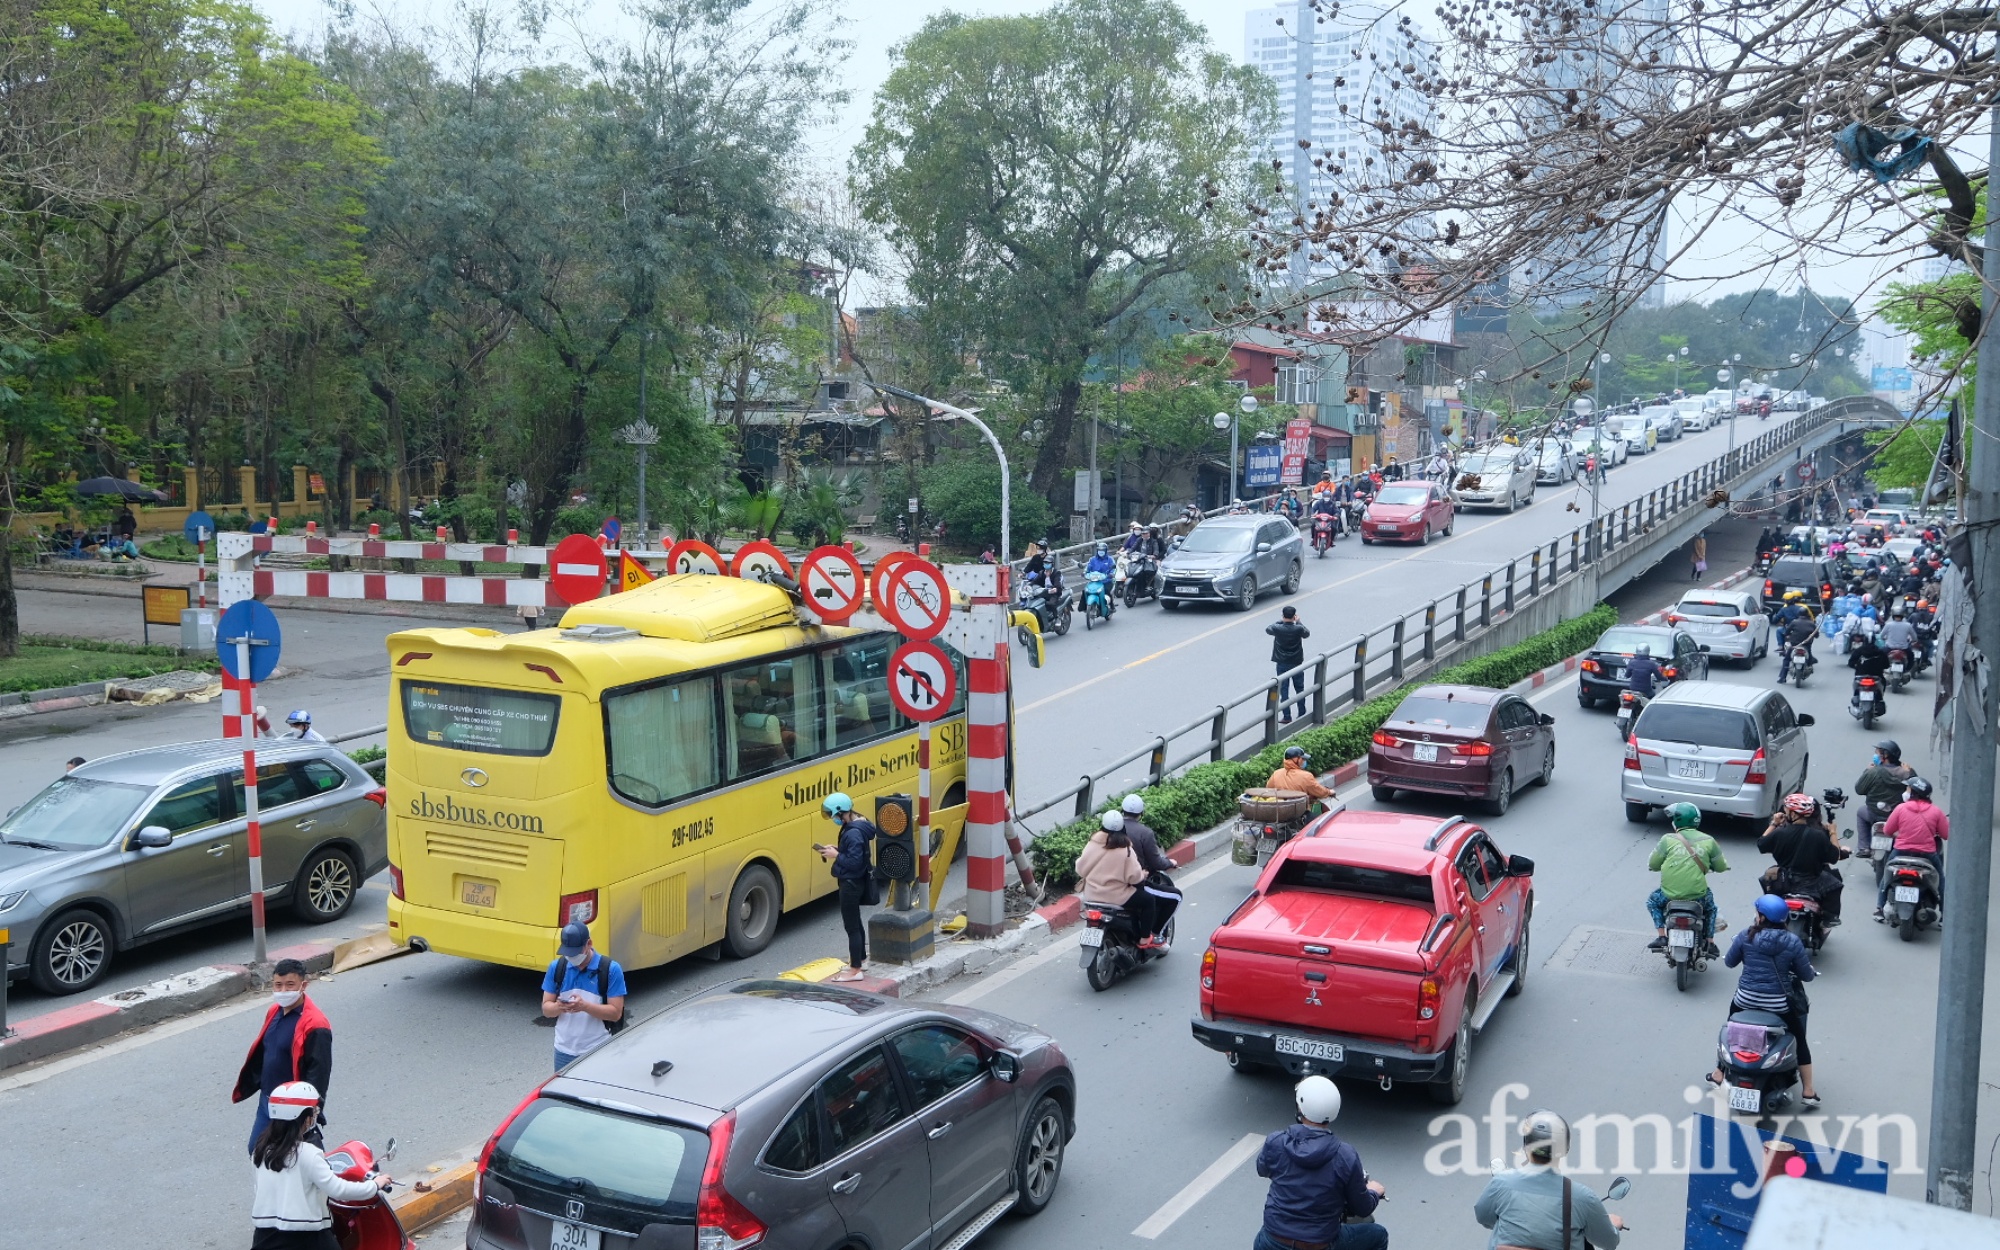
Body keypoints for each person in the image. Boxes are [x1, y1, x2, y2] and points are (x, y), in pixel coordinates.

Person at [250, 1081, 391, 1250]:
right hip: (307, 1237)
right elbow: (338, 1189)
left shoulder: (261, 1151)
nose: (314, 1116)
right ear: (304, 1117)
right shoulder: (308, 1153)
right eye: (313, 1111)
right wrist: (374, 1185)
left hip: (264, 1237)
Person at [1254, 1076, 1386, 1250]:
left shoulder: (1276, 1142)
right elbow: (1363, 1208)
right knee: (1378, 1235)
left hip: (1272, 1241)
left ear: (1300, 1107)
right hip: (1319, 1245)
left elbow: (1262, 1169)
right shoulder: (1345, 1155)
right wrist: (1374, 1192)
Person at [1712, 894, 1819, 1107]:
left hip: (1745, 999)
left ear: (1761, 917)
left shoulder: (1745, 936)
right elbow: (1806, 975)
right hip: (1778, 1004)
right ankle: (1808, 1091)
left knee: (1731, 1030)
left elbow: (1730, 963)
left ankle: (1718, 1073)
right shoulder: (1792, 941)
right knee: (1800, 1040)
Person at [1473, 1110, 1624, 1250]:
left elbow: (1483, 1217)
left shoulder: (1501, 1183)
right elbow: (1609, 1242)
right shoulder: (1583, 1198)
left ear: (1526, 1146)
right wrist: (1613, 1226)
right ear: (1564, 1149)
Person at [232, 959, 333, 1155]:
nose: (283, 991)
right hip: (267, 1100)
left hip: (293, 1107)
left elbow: (319, 1073)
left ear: (303, 986)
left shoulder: (316, 1025)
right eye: (278, 985)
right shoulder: (273, 1011)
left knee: (292, 1158)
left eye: (290, 985)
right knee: (257, 1150)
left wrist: (312, 1110)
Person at [540, 920, 627, 1069]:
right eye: (567, 953)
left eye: (575, 952)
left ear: (589, 944)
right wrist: (559, 1007)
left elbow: (615, 1013)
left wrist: (584, 1006)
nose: (571, 957)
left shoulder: (611, 969)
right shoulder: (557, 967)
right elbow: (546, 1009)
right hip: (563, 1050)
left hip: (598, 1049)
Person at [1646, 803, 1728, 956]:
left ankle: (1662, 936)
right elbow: (1721, 867)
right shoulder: (1709, 841)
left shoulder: (1667, 839)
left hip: (1668, 896)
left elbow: (1653, 864)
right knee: (1711, 909)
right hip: (1698, 896)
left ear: (1676, 821)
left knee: (1652, 901)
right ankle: (1710, 942)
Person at [815, 792, 877, 981]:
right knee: (856, 923)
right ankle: (862, 960)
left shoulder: (854, 833)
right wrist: (838, 849)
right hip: (855, 882)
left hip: (851, 884)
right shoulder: (857, 825)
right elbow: (854, 854)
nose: (833, 819)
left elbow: (854, 862)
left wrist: (837, 855)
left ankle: (855, 970)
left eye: (834, 815)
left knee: (852, 927)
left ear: (842, 812)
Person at [1758, 792, 1846, 925]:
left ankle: (1766, 913)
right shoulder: (1819, 835)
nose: (1784, 811)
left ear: (1793, 813)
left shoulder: (1780, 832)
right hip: (1812, 882)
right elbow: (1834, 857)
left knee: (1767, 878)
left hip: (1783, 881)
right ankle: (1829, 917)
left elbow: (1761, 844)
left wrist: (1774, 823)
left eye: (1786, 809)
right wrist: (1833, 832)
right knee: (1836, 884)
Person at [1075, 811, 1157, 944]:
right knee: (1148, 901)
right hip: (1117, 898)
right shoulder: (1125, 849)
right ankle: (1145, 938)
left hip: (1091, 896)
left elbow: (1080, 869)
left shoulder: (1092, 844)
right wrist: (1143, 874)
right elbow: (1135, 878)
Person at [1877, 776, 1948, 921]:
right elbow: (1945, 835)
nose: (1906, 791)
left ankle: (1879, 908)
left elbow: (1887, 831)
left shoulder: (1901, 808)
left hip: (1900, 852)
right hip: (1927, 854)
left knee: (1886, 877)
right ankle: (1944, 914)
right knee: (1940, 879)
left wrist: (1900, 833)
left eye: (1908, 789)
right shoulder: (1936, 811)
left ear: (1914, 793)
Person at [1118, 793, 1181, 942]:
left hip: (1102, 888)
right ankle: (1153, 935)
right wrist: (1170, 863)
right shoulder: (1144, 833)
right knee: (1175, 896)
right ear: (1140, 814)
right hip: (1132, 884)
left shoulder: (1107, 833)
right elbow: (1155, 862)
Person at [1852, 739, 1912, 848]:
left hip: (1873, 814)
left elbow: (1859, 790)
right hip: (1897, 817)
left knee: (1861, 812)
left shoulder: (1873, 772)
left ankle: (1863, 847)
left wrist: (1867, 771)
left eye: (1877, 753)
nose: (1875, 755)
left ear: (1885, 755)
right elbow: (1915, 792)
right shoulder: (1906, 773)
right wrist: (1909, 772)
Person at [1268, 606, 1311, 720]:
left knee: (1284, 690)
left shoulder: (1278, 628)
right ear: (1294, 616)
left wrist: (1281, 621)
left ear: (1283, 616)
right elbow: (1307, 633)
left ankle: (1287, 716)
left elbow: (1268, 629)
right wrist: (1299, 622)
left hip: (1282, 663)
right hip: (1296, 662)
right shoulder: (1298, 629)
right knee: (1299, 688)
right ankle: (1302, 712)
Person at [1267, 745, 1334, 801]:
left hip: (1279, 811)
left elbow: (1268, 791)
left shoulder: (1276, 774)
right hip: (1300, 812)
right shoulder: (1306, 776)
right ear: (1296, 760)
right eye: (1303, 759)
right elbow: (1319, 791)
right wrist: (1329, 792)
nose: (1304, 761)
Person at [1777, 608, 1817, 683]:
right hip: (1806, 645)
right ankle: (1809, 666)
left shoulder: (1794, 622)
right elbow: (1817, 635)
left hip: (1794, 645)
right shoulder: (1811, 623)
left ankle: (1782, 677)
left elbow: (1787, 632)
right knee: (1810, 658)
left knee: (1786, 659)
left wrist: (1788, 635)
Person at [1083, 542, 1118, 612]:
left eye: (1102, 550)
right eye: (1099, 550)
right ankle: (1084, 606)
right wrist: (1084, 573)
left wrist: (1111, 574)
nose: (1101, 552)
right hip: (1094, 581)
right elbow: (1088, 567)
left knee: (1107, 592)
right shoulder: (1092, 559)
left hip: (1106, 581)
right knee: (1086, 591)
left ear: (1105, 551)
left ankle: (1112, 606)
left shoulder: (1110, 559)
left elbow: (1113, 568)